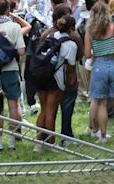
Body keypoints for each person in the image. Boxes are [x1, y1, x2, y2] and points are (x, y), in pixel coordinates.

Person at [84, 2, 114, 143]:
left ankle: (103, 136)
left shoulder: (90, 31)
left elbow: (87, 54)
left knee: (102, 103)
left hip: (98, 66)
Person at [33, 14, 78, 149]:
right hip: (56, 79)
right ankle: (51, 144)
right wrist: (72, 82)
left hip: (41, 76)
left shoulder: (49, 37)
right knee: (51, 111)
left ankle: (38, 143)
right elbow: (70, 68)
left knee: (44, 109)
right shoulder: (71, 44)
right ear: (72, 28)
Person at [0, 0, 26, 151]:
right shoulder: (15, 27)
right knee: (14, 104)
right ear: (7, 10)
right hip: (10, 69)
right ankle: (11, 140)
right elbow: (21, 51)